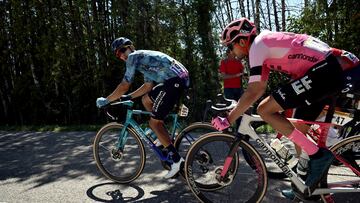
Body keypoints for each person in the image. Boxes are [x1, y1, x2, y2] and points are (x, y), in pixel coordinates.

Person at [211, 18, 360, 200]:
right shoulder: (264, 45)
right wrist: (238, 107)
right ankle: (305, 187)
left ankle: (319, 156)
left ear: (242, 41)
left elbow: (254, 91)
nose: (230, 52)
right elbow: (258, 88)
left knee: (264, 110)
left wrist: (229, 119)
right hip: (332, 68)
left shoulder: (258, 46)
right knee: (299, 130)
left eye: (230, 46)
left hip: (331, 70)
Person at [96, 37, 190, 179]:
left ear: (130, 47)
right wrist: (128, 97)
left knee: (154, 123)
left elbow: (124, 85)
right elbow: (147, 86)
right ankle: (160, 135)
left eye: (122, 50)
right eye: (118, 54)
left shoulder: (133, 57)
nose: (122, 55)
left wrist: (107, 100)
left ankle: (177, 161)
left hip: (174, 82)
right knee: (146, 99)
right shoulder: (143, 59)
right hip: (177, 80)